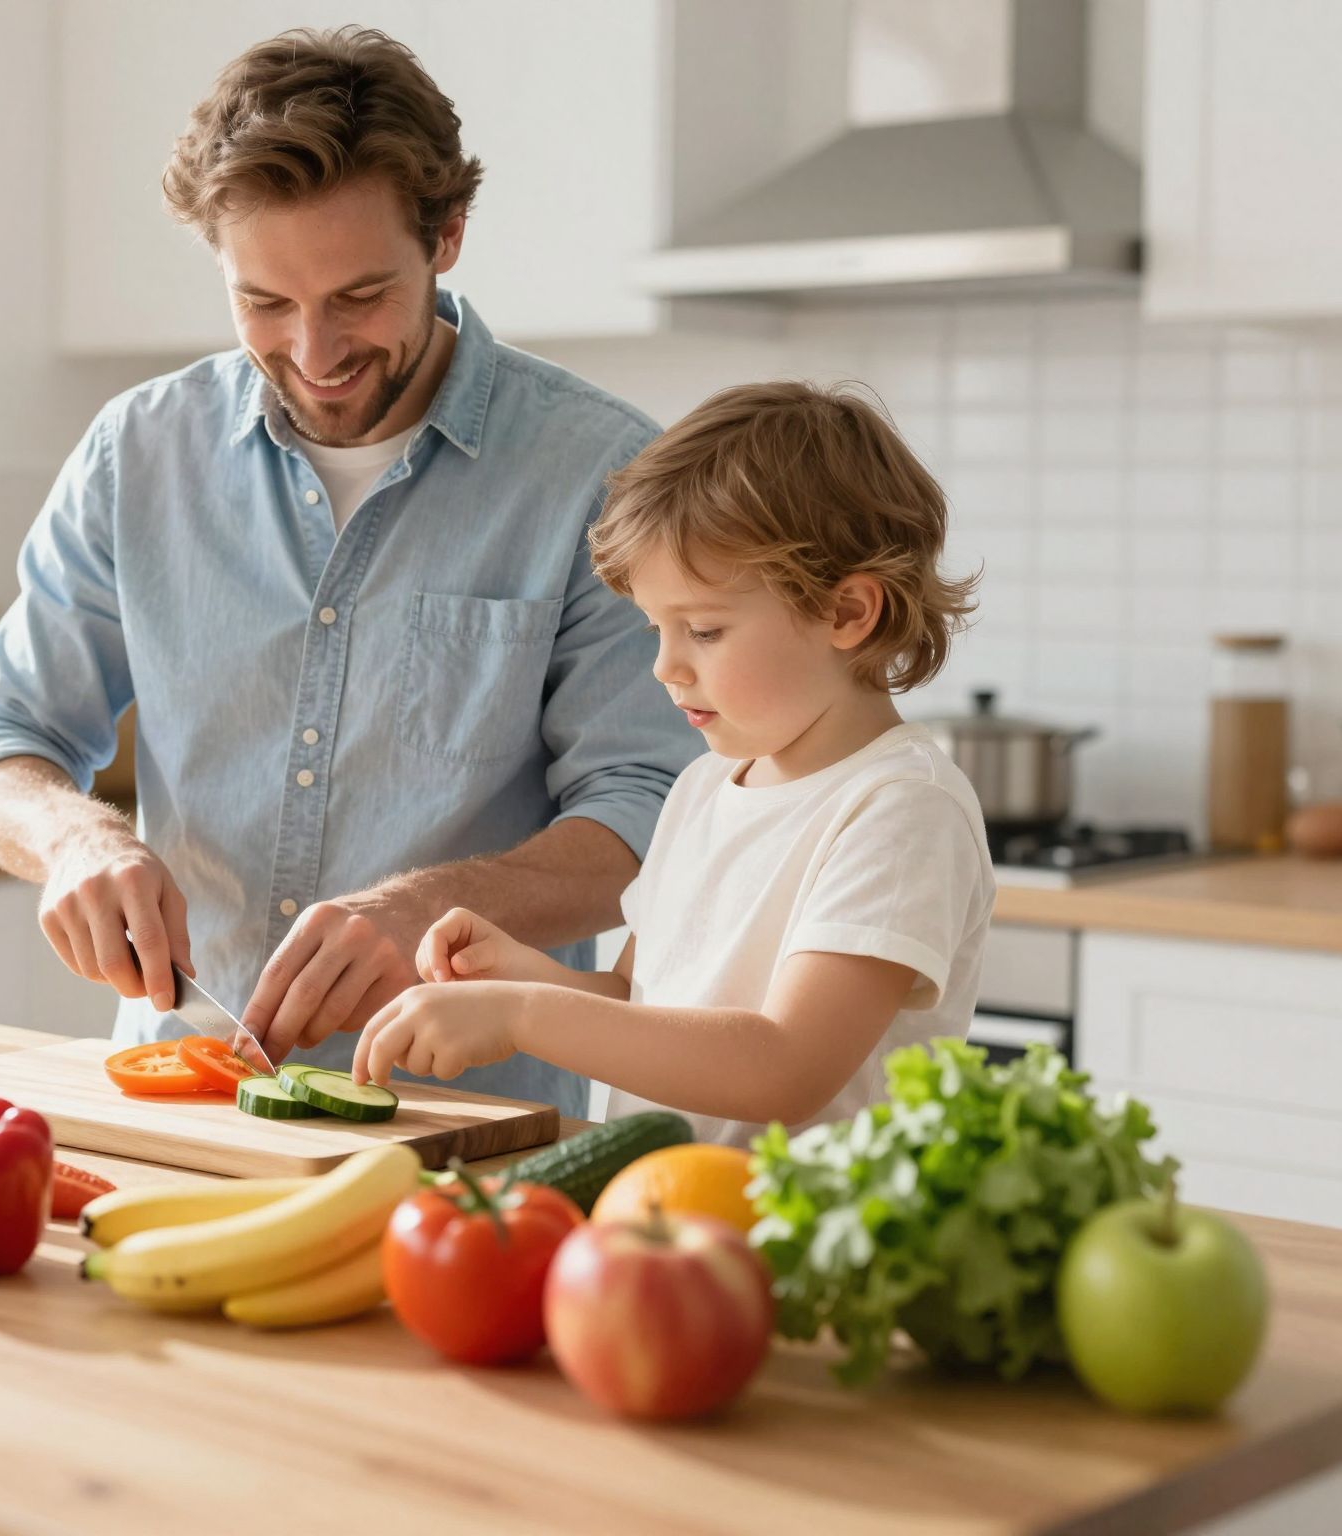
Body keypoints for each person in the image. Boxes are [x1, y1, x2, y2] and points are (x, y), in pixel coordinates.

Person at [0, 27, 695, 1116]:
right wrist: (74, 839)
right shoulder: (136, 453)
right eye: (263, 302)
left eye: (358, 296)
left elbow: (649, 810)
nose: (313, 351)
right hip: (183, 1099)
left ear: (446, 236)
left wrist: (424, 907)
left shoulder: (600, 473)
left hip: (471, 1124)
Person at [353, 381, 995, 1145]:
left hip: (807, 1217)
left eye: (704, 631)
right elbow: (640, 1000)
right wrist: (522, 975)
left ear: (848, 612)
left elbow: (785, 1068)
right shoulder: (703, 786)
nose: (665, 667)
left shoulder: (900, 807)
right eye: (656, 628)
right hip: (672, 1205)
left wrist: (525, 1015)